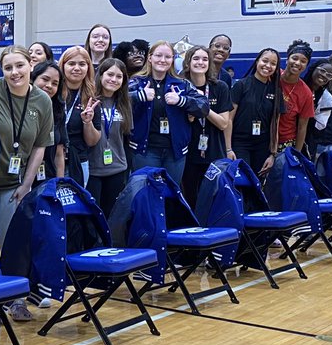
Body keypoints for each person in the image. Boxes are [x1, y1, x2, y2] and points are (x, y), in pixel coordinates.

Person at [0, 46, 54, 317]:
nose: (15, 72)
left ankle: (15, 299)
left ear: (31, 65)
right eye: (8, 68)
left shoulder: (42, 101)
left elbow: (40, 146)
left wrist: (26, 185)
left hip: (15, 184)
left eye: (20, 66)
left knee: (14, 243)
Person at [129, 40, 207, 183]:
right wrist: (138, 96)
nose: (163, 60)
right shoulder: (137, 82)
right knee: (147, 191)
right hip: (145, 151)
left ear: (172, 60)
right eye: (158, 55)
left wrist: (182, 101)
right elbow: (118, 100)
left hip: (175, 152)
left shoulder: (182, 84)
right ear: (150, 58)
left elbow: (204, 107)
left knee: (172, 192)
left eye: (167, 57)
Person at [180, 45, 231, 206]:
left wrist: (202, 107)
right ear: (188, 62)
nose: (200, 62)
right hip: (188, 152)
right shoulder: (180, 87)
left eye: (205, 59)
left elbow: (223, 123)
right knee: (191, 197)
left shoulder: (220, 87)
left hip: (214, 150)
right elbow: (185, 119)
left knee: (214, 197)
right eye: (196, 58)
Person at [88, 57, 132, 216]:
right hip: (92, 169)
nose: (114, 79)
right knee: (93, 216)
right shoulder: (90, 100)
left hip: (117, 168)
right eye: (110, 74)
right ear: (100, 75)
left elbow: (125, 137)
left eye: (119, 76)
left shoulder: (124, 103)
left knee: (112, 214)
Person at [227, 48, 281, 176]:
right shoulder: (241, 85)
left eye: (273, 63)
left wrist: (273, 154)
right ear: (257, 61)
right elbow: (229, 119)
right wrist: (228, 149)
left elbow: (276, 123)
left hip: (263, 145)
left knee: (258, 182)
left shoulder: (276, 90)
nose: (268, 66)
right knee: (243, 181)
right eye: (265, 61)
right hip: (240, 143)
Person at [59, 46, 101, 184]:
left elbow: (92, 142)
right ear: (63, 66)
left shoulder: (91, 99)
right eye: (71, 63)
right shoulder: (53, 93)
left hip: (78, 162)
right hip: (51, 160)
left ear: (88, 68)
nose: (77, 68)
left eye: (82, 64)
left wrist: (87, 122)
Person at [32, 60, 69, 183]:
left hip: (48, 179)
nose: (49, 85)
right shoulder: (20, 108)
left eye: (55, 83)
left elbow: (59, 153)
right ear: (33, 79)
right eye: (45, 79)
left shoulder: (58, 112)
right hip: (19, 179)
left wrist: (59, 183)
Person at [278, 40, 316, 154]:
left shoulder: (306, 93)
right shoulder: (272, 77)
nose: (298, 63)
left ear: (306, 65)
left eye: (303, 61)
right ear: (287, 59)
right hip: (262, 138)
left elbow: (302, 127)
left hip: (285, 143)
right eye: (294, 58)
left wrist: (297, 153)